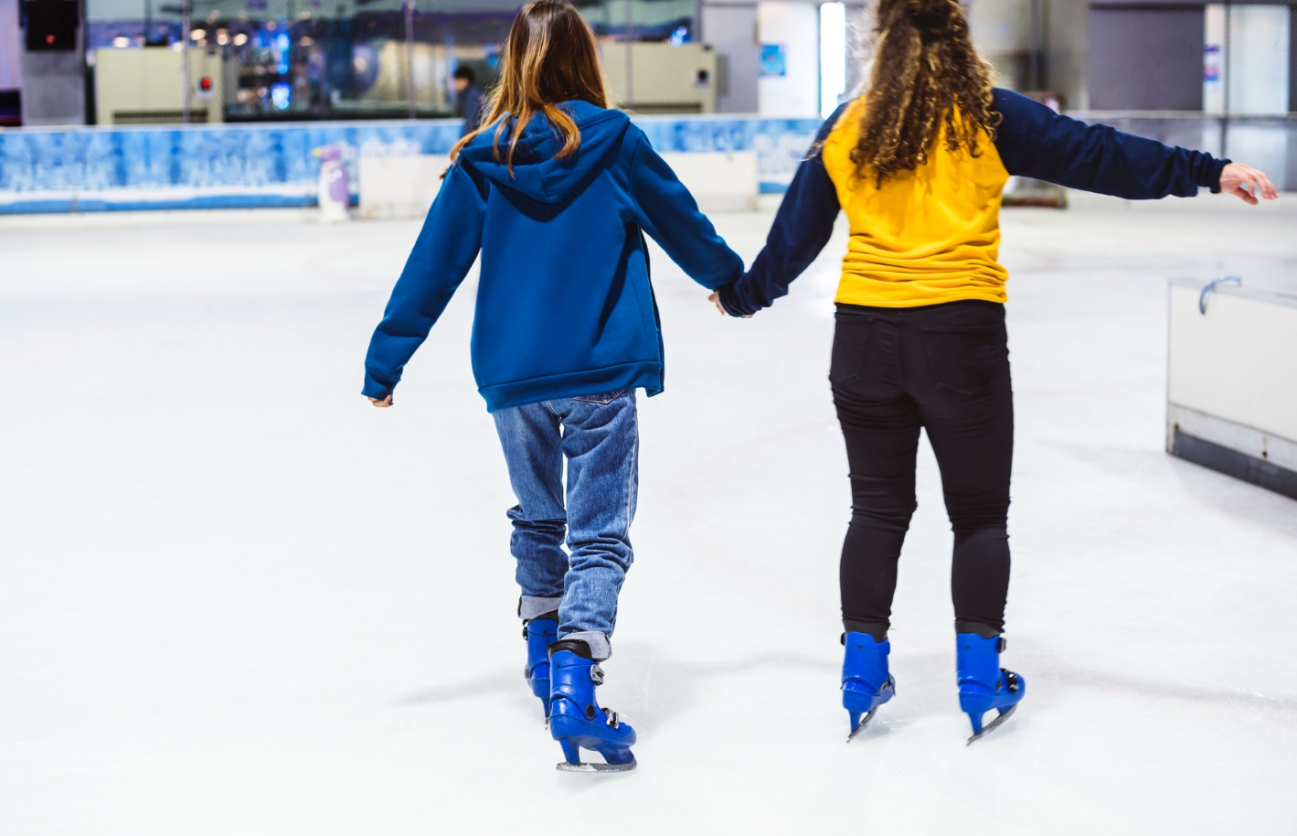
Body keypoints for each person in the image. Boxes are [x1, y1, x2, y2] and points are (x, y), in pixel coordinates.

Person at [711, 0, 1277, 744]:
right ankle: (978, 679)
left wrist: (744, 295)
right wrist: (1207, 172)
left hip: (864, 341)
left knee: (876, 511)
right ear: (957, 36)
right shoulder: (987, 115)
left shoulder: (847, 125)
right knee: (977, 516)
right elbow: (1096, 154)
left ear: (878, 41)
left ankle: (859, 673)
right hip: (960, 340)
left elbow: (794, 236)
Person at [361, 0, 743, 771]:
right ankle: (575, 674)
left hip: (513, 376)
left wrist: (386, 359)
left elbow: (431, 267)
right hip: (600, 367)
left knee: (539, 520)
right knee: (597, 534)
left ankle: (543, 659)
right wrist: (730, 281)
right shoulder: (615, 142)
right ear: (584, 58)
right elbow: (681, 222)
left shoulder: (481, 157)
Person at [453, 65, 488, 136]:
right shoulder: (476, 92)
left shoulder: (472, 96)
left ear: (465, 80)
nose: (456, 85)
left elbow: (471, 123)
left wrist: (462, 142)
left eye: (457, 81)